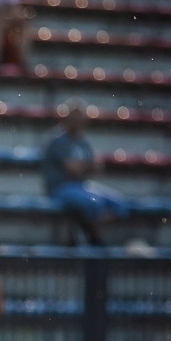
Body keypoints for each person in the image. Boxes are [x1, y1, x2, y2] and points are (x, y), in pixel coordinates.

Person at [42, 101, 128, 245]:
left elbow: (98, 168)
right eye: (73, 118)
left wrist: (85, 167)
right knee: (92, 203)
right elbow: (73, 170)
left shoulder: (83, 142)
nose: (77, 122)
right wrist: (88, 166)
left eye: (80, 118)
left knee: (120, 205)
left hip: (82, 186)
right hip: (60, 188)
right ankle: (93, 238)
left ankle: (89, 231)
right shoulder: (57, 140)